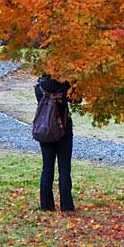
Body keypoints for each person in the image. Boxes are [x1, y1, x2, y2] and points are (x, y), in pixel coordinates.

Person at [35, 75, 75, 212]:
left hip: (45, 128)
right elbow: (77, 99)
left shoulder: (40, 86)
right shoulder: (65, 86)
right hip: (63, 128)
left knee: (47, 168)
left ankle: (46, 205)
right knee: (64, 169)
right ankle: (67, 205)